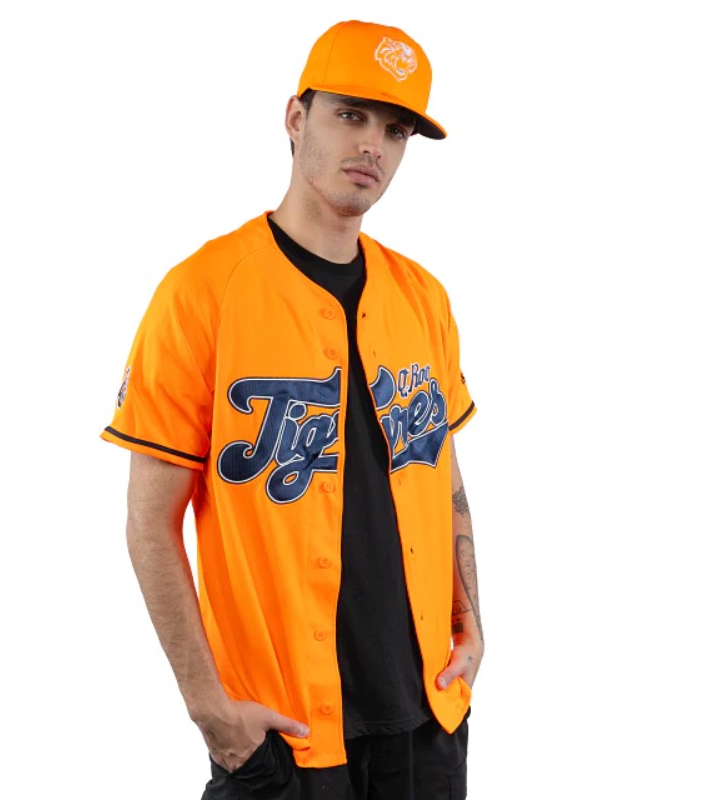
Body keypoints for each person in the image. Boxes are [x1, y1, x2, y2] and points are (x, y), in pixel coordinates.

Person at [101, 19, 484, 800]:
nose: (373, 145)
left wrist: (471, 621)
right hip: (284, 734)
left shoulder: (423, 297)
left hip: (430, 717)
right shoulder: (201, 293)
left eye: (396, 130)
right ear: (296, 117)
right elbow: (149, 523)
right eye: (351, 115)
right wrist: (211, 711)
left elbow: (441, 469)